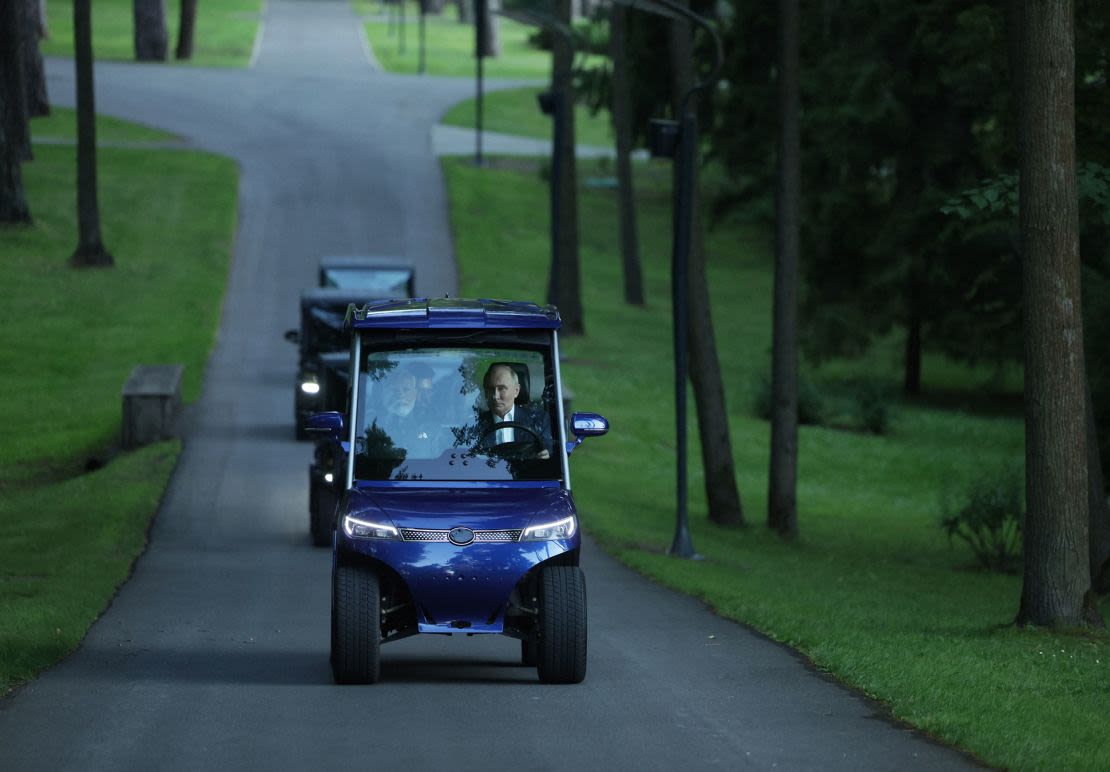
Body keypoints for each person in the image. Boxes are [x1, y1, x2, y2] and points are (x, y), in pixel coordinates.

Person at [477, 363, 552, 459]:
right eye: (491, 389)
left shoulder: (540, 421)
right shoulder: (474, 425)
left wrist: (546, 455)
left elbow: (552, 453)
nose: (495, 396)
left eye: (501, 389)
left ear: (516, 390)